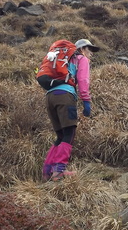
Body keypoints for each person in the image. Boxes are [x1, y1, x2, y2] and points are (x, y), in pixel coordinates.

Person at [42, 38, 100, 181]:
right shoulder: (81, 59)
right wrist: (86, 100)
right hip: (65, 96)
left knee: (60, 136)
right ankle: (59, 171)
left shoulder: (62, 60)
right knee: (69, 133)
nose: (91, 53)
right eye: (89, 49)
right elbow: (83, 80)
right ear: (81, 49)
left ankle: (46, 172)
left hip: (50, 97)